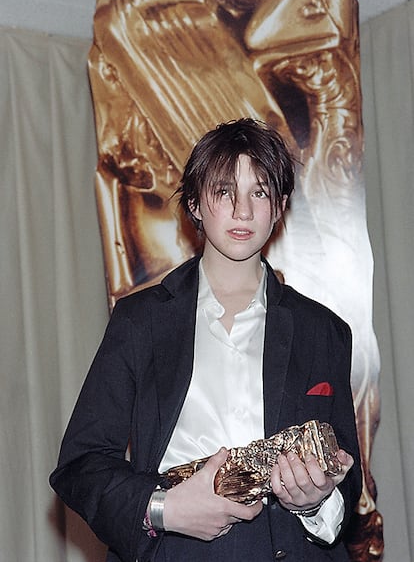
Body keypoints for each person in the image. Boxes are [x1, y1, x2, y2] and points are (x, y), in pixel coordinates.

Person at [50, 118, 362, 562]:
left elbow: (348, 486)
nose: (242, 210)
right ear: (195, 204)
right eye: (223, 192)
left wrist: (313, 502)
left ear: (280, 206)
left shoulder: (323, 330)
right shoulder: (141, 321)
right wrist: (163, 508)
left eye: (259, 191)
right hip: (174, 551)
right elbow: (81, 465)